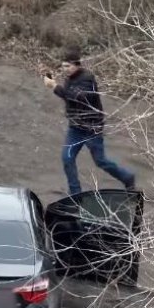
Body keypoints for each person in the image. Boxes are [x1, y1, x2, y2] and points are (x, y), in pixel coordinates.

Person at [43, 46, 136, 196]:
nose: (65, 69)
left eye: (68, 66)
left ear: (77, 65)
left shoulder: (87, 78)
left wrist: (54, 87)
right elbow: (69, 97)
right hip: (76, 128)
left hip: (92, 128)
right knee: (67, 158)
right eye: (63, 66)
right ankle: (76, 193)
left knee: (100, 161)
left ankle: (127, 178)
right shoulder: (70, 79)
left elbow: (78, 97)